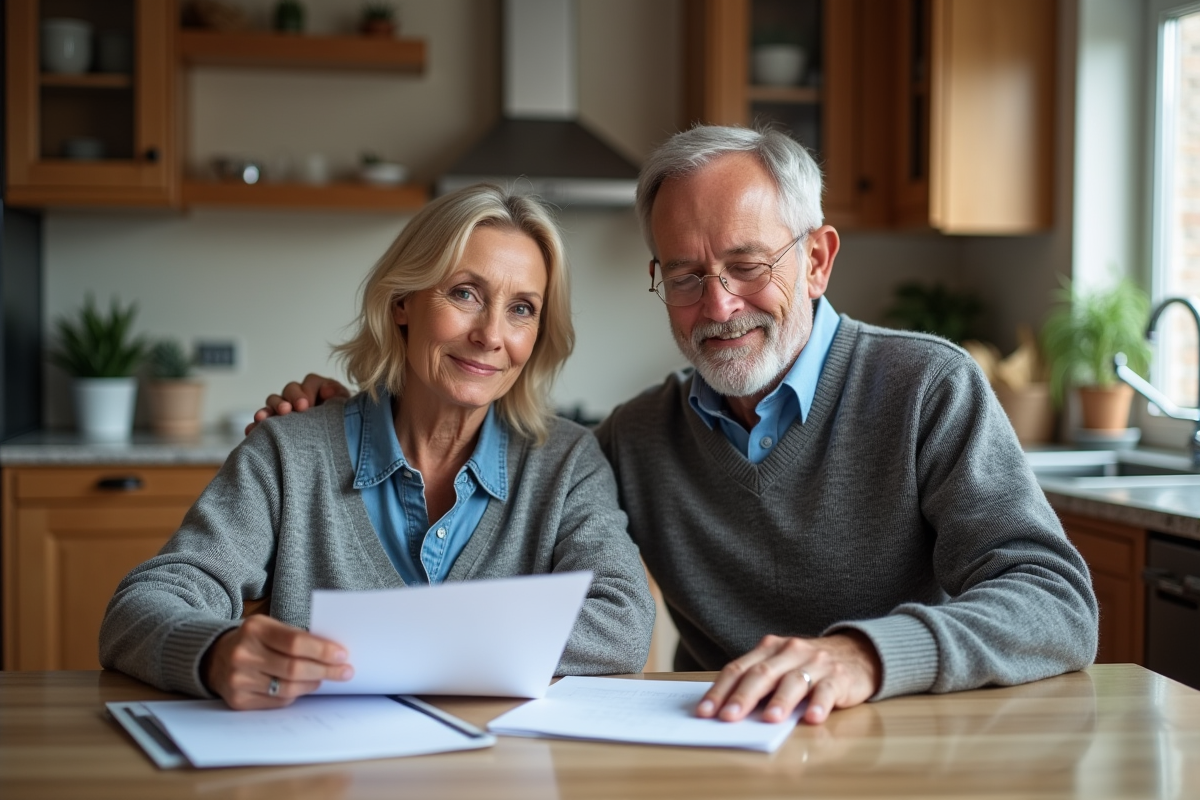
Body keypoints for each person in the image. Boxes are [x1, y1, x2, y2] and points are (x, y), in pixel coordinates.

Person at [251, 125, 1099, 725]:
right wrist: (346, 420)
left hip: (911, 747)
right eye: (686, 276)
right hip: (719, 748)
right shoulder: (634, 440)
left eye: (746, 266)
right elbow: (509, 504)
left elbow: (1055, 602)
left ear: (816, 260)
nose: (718, 306)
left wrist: (864, 658)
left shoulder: (925, 387)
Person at [100, 184, 655, 710]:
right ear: (402, 302)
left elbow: (624, 623)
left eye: (522, 309)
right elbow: (141, 607)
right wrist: (215, 653)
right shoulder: (290, 453)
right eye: (465, 293)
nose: (491, 335)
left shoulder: (568, 462)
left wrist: (394, 641)